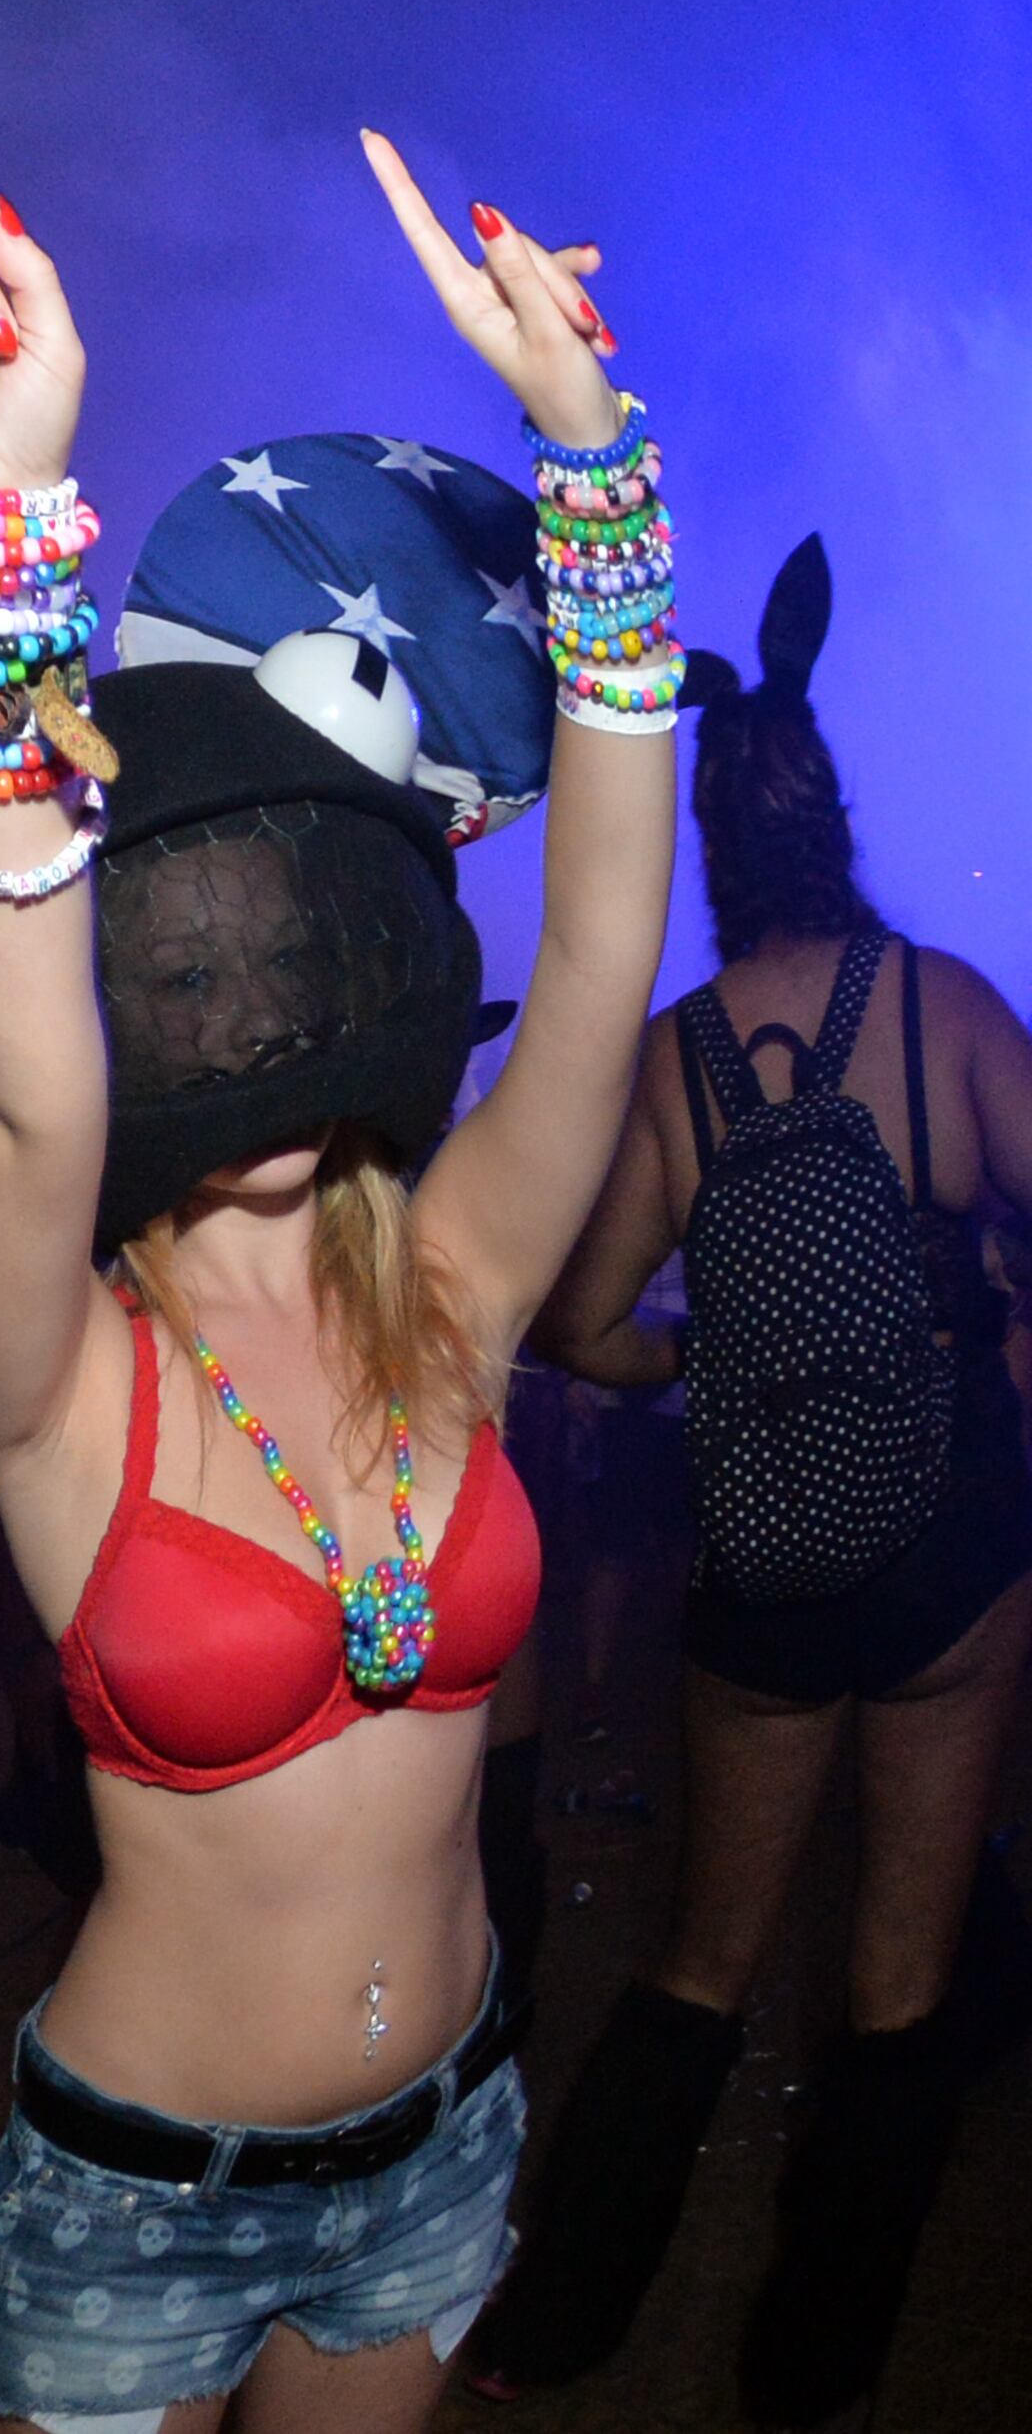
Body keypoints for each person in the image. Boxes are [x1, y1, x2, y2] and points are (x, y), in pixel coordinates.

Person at [0, 120, 672, 2430]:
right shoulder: (56, 1376)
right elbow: (32, 1104)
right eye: (185, 965)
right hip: (143, 2197)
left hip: (442, 2141)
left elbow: (600, 958)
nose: (248, 1004)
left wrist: (591, 466)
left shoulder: (455, 1289)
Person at [470, 541, 1032, 2424]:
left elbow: (584, 1324)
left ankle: (558, 2323)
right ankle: (810, 2372)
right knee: (900, 1978)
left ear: (710, 842)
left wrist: (713, 1358)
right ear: (835, 816)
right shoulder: (945, 1005)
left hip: (763, 1554)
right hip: (951, 1546)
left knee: (702, 1957)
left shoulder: (678, 1063)